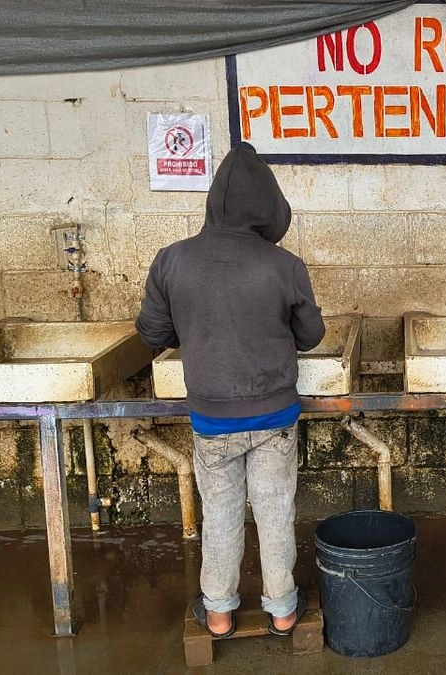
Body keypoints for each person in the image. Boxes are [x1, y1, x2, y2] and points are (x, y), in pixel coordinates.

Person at [136, 143, 325, 639]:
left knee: (219, 514)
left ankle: (218, 613)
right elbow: (311, 336)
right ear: (269, 205)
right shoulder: (284, 266)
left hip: (211, 420)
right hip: (275, 418)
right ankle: (283, 610)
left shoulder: (171, 260)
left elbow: (153, 333)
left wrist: (197, 329)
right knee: (275, 510)